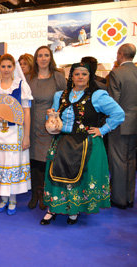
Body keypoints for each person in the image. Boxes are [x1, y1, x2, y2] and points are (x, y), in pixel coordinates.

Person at [40, 62, 124, 225]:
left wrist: (103, 129)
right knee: (56, 175)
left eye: (84, 74)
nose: (80, 77)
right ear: (71, 76)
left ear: (89, 77)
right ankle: (53, 208)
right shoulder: (60, 95)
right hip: (62, 141)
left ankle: (74, 209)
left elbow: (118, 114)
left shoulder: (98, 95)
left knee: (79, 177)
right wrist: (50, 116)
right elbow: (54, 118)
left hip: (86, 143)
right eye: (77, 74)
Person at [0, 54, 33, 215]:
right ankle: (3, 199)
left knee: (12, 163)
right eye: (3, 66)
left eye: (9, 66)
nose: (6, 69)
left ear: (14, 68)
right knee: (0, 163)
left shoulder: (21, 86)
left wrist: (27, 136)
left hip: (15, 132)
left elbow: (26, 113)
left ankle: (13, 199)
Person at [27, 46, 67, 210]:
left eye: (46, 55)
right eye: (40, 56)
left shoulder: (58, 77)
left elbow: (65, 101)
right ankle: (34, 194)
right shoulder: (29, 78)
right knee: (33, 161)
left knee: (46, 161)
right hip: (31, 125)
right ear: (36, 59)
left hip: (51, 127)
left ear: (50, 58)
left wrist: (57, 115)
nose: (43, 58)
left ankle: (45, 193)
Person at [107, 43, 137, 209]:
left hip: (119, 125)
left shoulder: (116, 73)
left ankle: (119, 199)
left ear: (120, 54)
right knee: (131, 161)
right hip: (134, 125)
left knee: (118, 162)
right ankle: (129, 198)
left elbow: (113, 104)